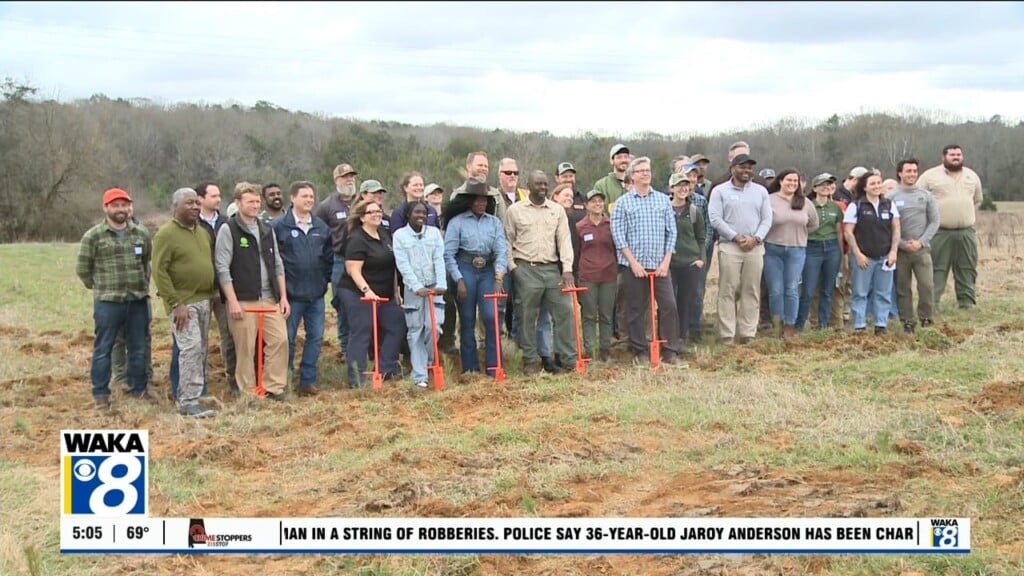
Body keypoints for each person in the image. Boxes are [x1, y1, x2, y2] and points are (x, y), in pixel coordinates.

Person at [75, 188, 153, 410]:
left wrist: (141, 285)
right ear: (106, 208)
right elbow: (83, 269)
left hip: (137, 300)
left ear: (130, 208)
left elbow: (145, 262)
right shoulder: (93, 236)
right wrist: (99, 287)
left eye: (125, 205)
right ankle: (101, 393)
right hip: (108, 302)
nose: (121, 209)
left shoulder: (141, 234)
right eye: (116, 205)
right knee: (103, 348)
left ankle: (139, 389)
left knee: (138, 347)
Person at [215, 182, 291, 400]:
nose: (255, 205)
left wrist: (283, 297)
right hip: (243, 300)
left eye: (257, 201)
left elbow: (277, 264)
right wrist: (232, 301)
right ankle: (248, 392)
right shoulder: (229, 230)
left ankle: (274, 386)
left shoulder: (266, 229)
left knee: (280, 340)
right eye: (250, 202)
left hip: (269, 298)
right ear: (238, 203)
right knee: (245, 348)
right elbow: (222, 268)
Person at [610, 157, 685, 364]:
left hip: (660, 265)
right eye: (640, 171)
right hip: (634, 266)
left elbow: (672, 232)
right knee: (635, 308)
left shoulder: (662, 200)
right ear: (632, 176)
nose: (645, 174)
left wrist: (666, 262)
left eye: (648, 170)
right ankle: (640, 350)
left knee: (669, 305)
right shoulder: (622, 203)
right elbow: (618, 236)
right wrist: (633, 263)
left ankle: (669, 350)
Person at [504, 170, 577, 375]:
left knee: (565, 312)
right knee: (526, 316)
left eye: (545, 184)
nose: (543, 187)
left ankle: (568, 360)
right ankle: (530, 360)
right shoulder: (515, 211)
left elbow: (564, 240)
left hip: (552, 269)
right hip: (525, 268)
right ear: (528, 186)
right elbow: (507, 240)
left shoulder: (557, 210)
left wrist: (567, 269)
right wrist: (513, 268)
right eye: (538, 184)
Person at [152, 188, 217, 417]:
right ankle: (187, 402)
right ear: (176, 206)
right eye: (189, 203)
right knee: (190, 348)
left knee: (201, 349)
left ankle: (196, 393)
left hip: (204, 299)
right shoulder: (166, 234)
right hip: (182, 304)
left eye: (197, 203)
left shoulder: (202, 232)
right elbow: (159, 271)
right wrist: (175, 302)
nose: (195, 207)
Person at [273, 181, 333, 396]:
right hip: (290, 295)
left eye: (311, 197)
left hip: (316, 295)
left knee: (315, 337)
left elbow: (328, 257)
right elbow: (274, 260)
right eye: (304, 196)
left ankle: (307, 381)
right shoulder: (279, 226)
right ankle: (285, 380)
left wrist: (324, 281)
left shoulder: (321, 227)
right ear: (292, 198)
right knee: (287, 339)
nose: (309, 200)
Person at [339, 199, 407, 387]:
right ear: (362, 217)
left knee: (397, 325)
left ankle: (386, 370)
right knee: (363, 330)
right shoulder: (356, 238)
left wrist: (396, 291)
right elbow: (353, 270)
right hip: (357, 292)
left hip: (384, 292)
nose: (377, 214)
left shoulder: (384, 235)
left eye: (379, 211)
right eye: (371, 212)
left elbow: (392, 267)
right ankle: (357, 378)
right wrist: (366, 291)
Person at [443, 180, 507, 376]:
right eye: (477, 200)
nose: (481, 204)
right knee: (467, 318)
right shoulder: (457, 222)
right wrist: (458, 279)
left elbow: (501, 251)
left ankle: (495, 367)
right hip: (465, 269)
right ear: (469, 201)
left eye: (485, 200)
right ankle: (470, 369)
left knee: (490, 316)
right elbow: (448, 254)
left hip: (487, 270)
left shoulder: (494, 222)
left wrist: (499, 277)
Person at [708, 154, 772, 345]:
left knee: (751, 290)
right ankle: (727, 334)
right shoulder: (720, 191)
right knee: (727, 290)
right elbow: (715, 218)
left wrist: (757, 238)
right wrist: (735, 236)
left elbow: (767, 218)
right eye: (742, 167)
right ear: (733, 168)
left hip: (755, 247)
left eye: (749, 168)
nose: (746, 171)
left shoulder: (760, 191)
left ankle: (747, 332)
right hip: (730, 246)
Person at [917, 144, 984, 310]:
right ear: (944, 157)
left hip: (966, 231)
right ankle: (932, 303)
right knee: (937, 268)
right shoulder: (930, 176)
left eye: (958, 155)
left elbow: (977, 200)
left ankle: (967, 302)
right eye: (952, 155)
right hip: (940, 232)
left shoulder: (971, 176)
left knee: (967, 267)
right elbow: (917, 199)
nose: (956, 157)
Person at [394, 201, 447, 388]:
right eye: (417, 212)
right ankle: (419, 375)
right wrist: (416, 286)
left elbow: (439, 259)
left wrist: (441, 283)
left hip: (434, 287)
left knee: (434, 327)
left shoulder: (434, 233)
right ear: (409, 214)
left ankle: (428, 361)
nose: (421, 216)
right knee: (416, 331)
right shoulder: (400, 236)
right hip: (413, 290)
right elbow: (403, 265)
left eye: (424, 213)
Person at [843, 171, 901, 334]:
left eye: (878, 183)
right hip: (864, 257)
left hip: (885, 257)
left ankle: (881, 324)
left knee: (883, 292)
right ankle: (859, 325)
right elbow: (848, 232)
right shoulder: (856, 206)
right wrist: (858, 254)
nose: (877, 186)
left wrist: (893, 251)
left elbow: (896, 228)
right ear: (865, 187)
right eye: (872, 184)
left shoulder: (889, 205)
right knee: (860, 293)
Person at [764, 169, 819, 338]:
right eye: (789, 180)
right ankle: (777, 323)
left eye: (795, 181)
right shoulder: (769, 200)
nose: (792, 184)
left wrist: (800, 234)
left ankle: (790, 325)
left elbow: (814, 224)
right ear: (781, 181)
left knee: (791, 288)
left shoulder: (805, 202)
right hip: (772, 249)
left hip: (796, 250)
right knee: (775, 289)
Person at [889, 159, 939, 333]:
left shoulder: (926, 196)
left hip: (922, 250)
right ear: (900, 173)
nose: (912, 174)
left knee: (926, 286)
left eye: (914, 171)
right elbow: (887, 225)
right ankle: (907, 320)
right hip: (900, 251)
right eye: (908, 171)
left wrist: (921, 242)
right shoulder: (891, 197)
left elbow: (934, 222)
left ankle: (926, 317)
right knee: (903, 288)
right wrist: (902, 244)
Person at [315, 162, 359, 362]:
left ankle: (363, 346)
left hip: (363, 261)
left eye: (351, 176)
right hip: (339, 260)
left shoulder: (362, 202)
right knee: (342, 303)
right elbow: (320, 236)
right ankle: (345, 347)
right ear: (336, 180)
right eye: (345, 177)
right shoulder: (327, 206)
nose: (349, 180)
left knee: (362, 304)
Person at [797, 173, 845, 331]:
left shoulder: (835, 207)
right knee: (808, 289)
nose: (826, 187)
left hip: (831, 248)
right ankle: (799, 325)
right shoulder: (808, 205)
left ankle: (823, 324)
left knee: (828, 289)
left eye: (828, 184)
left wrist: (840, 253)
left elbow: (839, 231)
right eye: (822, 184)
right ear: (815, 188)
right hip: (812, 247)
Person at [576, 189, 617, 362]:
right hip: (588, 276)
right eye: (593, 201)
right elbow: (577, 251)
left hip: (609, 275)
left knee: (606, 314)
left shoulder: (611, 224)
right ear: (586, 205)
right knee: (589, 315)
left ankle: (605, 349)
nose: (597, 204)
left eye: (600, 201)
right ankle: (590, 349)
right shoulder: (580, 226)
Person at [667, 172, 706, 349]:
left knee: (685, 302)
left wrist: (701, 259)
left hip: (690, 263)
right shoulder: (664, 209)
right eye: (679, 185)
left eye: (685, 185)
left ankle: (682, 338)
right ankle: (668, 336)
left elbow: (701, 238)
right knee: (669, 302)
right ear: (671, 188)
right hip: (669, 263)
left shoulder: (694, 211)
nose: (683, 189)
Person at [593, 143, 631, 209]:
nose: (623, 160)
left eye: (626, 157)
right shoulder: (601, 185)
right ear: (611, 161)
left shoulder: (636, 184)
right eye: (619, 157)